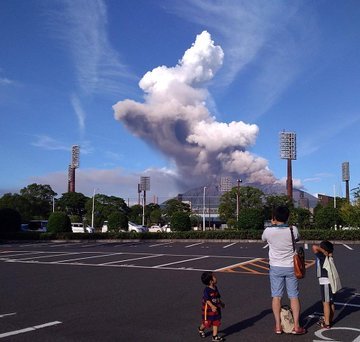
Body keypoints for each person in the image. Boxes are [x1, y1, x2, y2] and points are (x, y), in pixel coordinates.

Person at [261, 205, 306, 335]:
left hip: (275, 267)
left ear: (274, 217)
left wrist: (273, 224)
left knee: (276, 297)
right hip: (291, 266)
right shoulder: (293, 229)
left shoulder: (268, 231)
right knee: (293, 296)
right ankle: (296, 326)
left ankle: (278, 326)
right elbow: (297, 238)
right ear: (288, 217)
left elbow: (263, 239)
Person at [312, 240, 338, 329]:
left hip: (325, 282)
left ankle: (326, 323)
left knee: (325, 303)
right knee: (331, 302)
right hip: (330, 282)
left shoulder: (322, 256)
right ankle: (330, 320)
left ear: (323, 249)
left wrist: (323, 251)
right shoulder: (330, 256)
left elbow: (314, 247)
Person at [198, 271, 225, 341]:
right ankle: (200, 329)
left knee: (216, 321)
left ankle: (214, 336)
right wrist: (212, 306)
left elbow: (217, 297)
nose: (216, 277)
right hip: (208, 310)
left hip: (216, 308)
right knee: (207, 323)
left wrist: (221, 303)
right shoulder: (207, 290)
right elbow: (207, 300)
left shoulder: (215, 288)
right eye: (214, 277)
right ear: (211, 281)